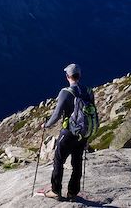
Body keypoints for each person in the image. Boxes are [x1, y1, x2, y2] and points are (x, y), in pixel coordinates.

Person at [42, 63, 94, 200]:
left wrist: (46, 125)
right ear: (80, 76)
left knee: (59, 160)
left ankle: (56, 191)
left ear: (67, 77)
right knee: (77, 162)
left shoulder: (65, 92)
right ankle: (72, 192)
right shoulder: (89, 91)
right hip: (83, 133)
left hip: (69, 132)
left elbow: (57, 114)